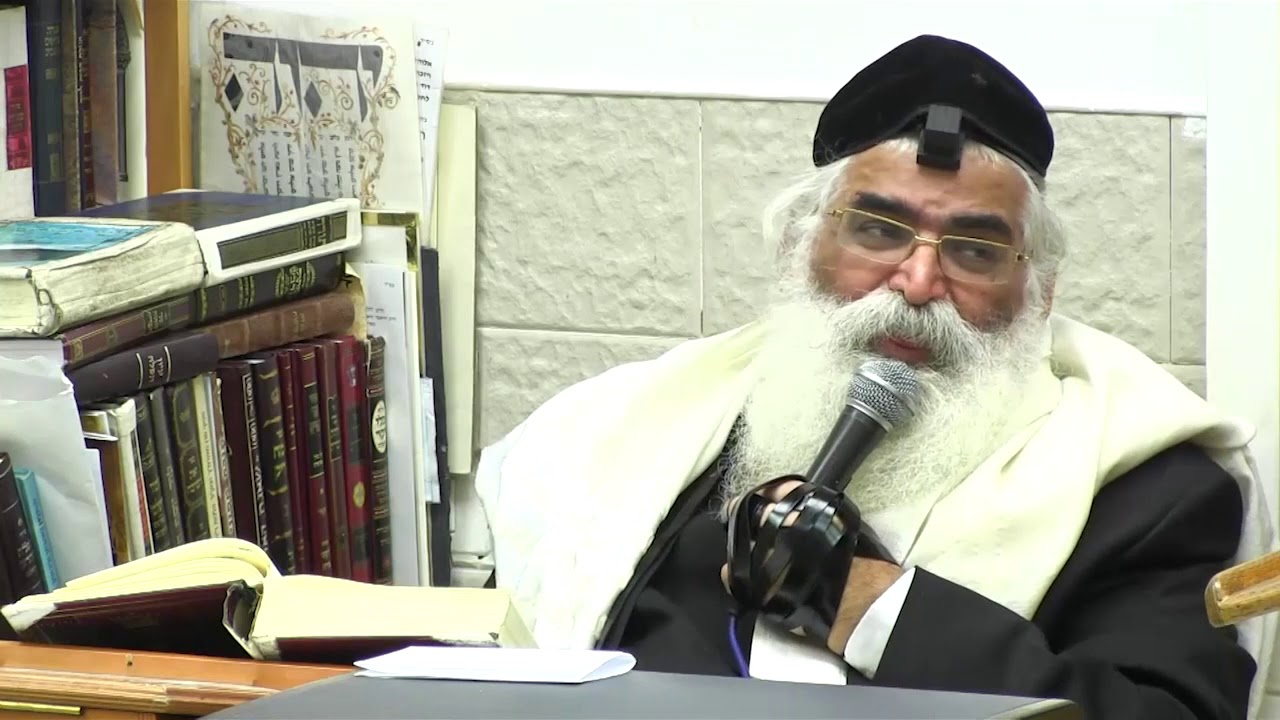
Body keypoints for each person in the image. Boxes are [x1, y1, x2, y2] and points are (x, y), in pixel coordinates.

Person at [473, 34, 1277, 720]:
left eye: (974, 251)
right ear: (799, 248)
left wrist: (873, 608)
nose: (918, 284)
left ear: (1038, 292)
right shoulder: (637, 433)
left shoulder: (1146, 487)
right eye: (877, 231)